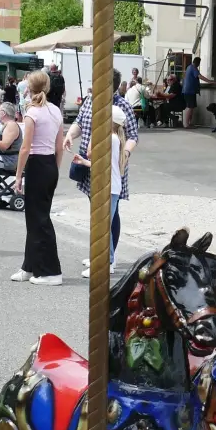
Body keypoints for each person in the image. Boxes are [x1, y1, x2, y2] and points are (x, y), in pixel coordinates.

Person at [67, 71, 139, 277]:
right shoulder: (90, 100)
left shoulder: (121, 106)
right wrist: (69, 135)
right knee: (96, 211)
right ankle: (100, 253)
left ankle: (109, 257)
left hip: (110, 167)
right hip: (91, 164)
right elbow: (79, 122)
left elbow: (133, 135)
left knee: (109, 215)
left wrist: (124, 154)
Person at [13, 70, 65, 285]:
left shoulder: (32, 113)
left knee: (39, 220)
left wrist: (18, 175)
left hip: (36, 163)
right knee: (35, 217)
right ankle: (30, 266)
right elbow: (59, 147)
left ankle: (51, 271)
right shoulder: (55, 111)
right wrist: (55, 169)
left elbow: (25, 148)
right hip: (50, 164)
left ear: (29, 88)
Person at [181, 54, 210, 127]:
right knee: (190, 107)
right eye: (199, 63)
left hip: (187, 90)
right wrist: (209, 81)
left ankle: (189, 123)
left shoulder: (189, 67)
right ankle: (186, 124)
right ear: (198, 63)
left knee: (190, 107)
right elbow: (199, 76)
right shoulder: (193, 68)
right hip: (190, 91)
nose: (198, 65)